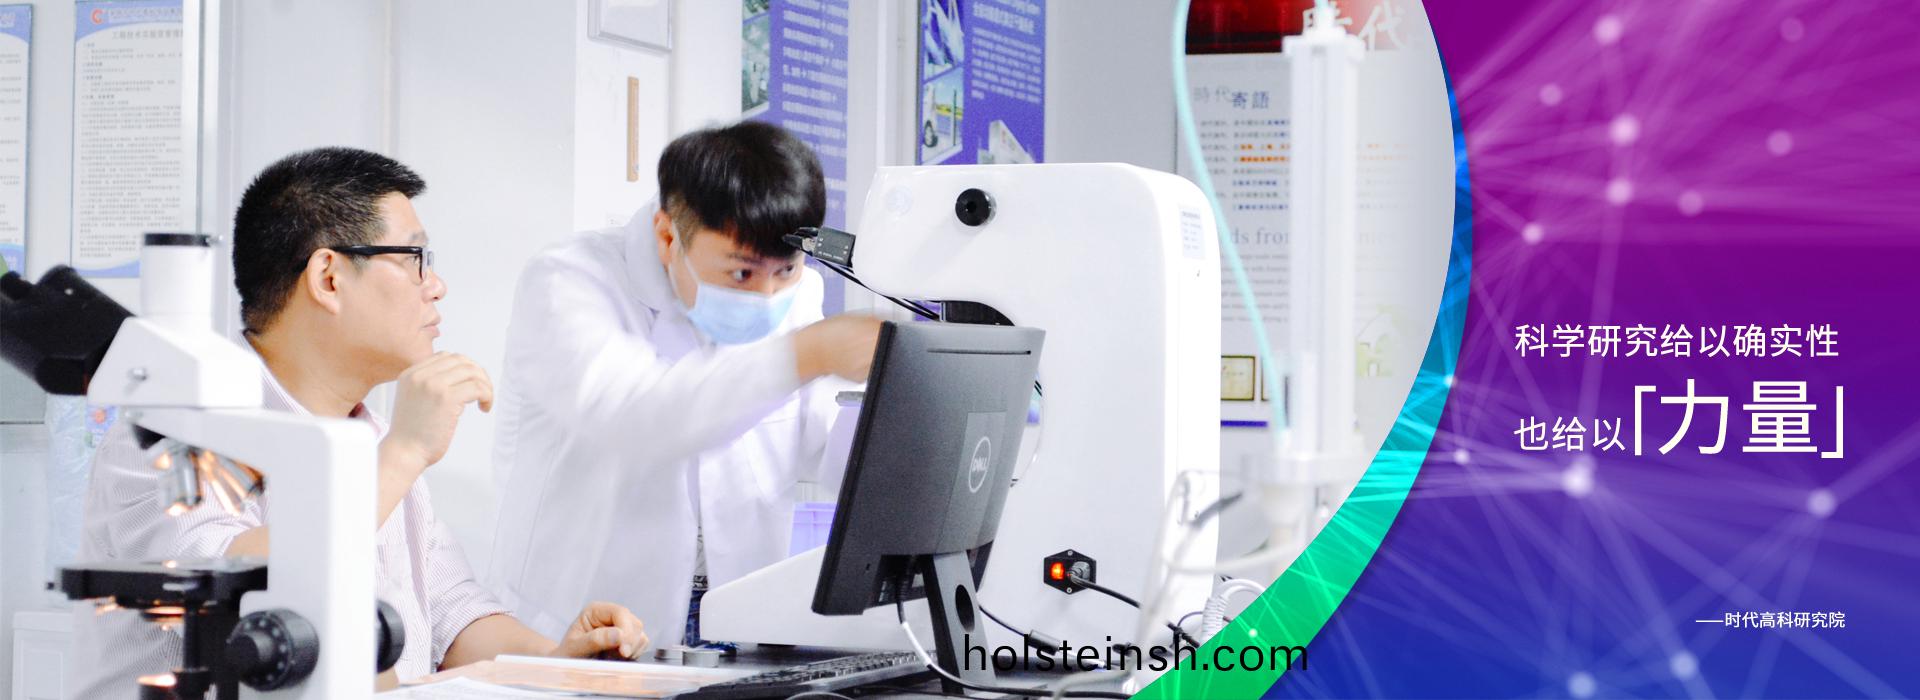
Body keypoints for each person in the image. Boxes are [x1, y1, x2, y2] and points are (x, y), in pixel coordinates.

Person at [69, 147, 648, 697]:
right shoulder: (168, 436)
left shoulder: (372, 436)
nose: (436, 286)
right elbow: (228, 586)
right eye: (415, 259)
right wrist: (404, 454)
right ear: (329, 278)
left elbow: (451, 614)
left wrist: (557, 661)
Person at [487, 122, 880, 646]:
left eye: (786, 271)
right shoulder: (568, 282)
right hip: (579, 625)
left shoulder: (795, 295)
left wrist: (898, 410)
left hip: (735, 619)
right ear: (668, 236)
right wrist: (807, 354)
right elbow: (640, 416)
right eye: (741, 274)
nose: (768, 295)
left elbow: (823, 436)